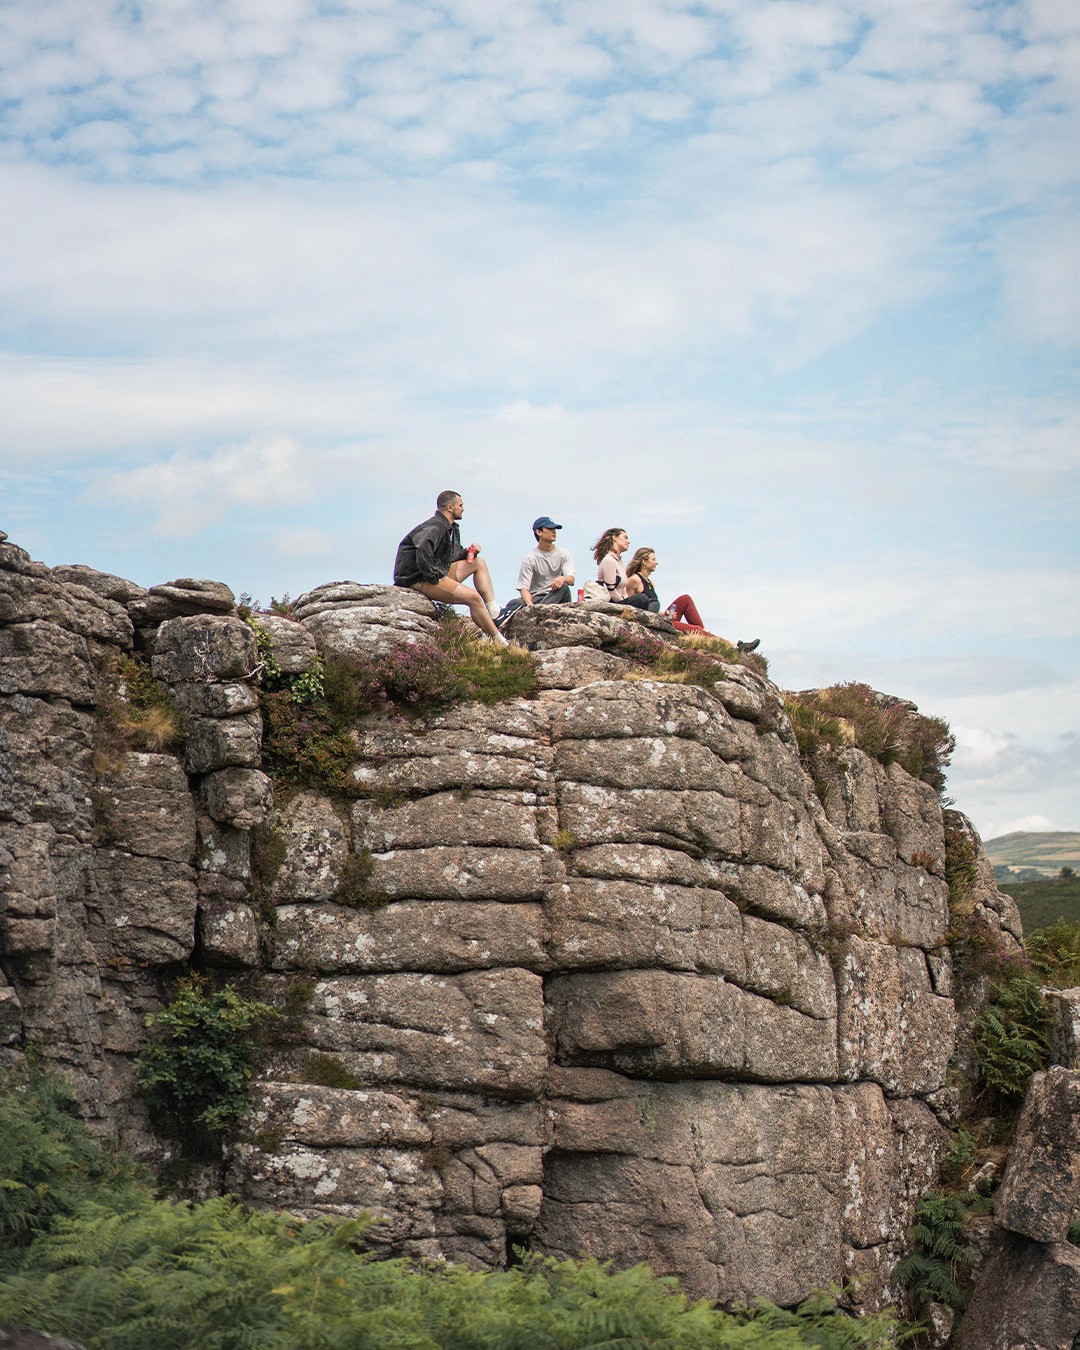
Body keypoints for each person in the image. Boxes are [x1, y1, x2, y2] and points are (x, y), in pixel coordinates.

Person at [393, 490, 508, 643]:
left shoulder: (449, 528)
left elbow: (450, 556)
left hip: (436, 572)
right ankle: (500, 641)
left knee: (478, 563)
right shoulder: (435, 526)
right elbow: (422, 549)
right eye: (460, 505)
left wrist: (469, 551)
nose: (463, 508)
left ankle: (494, 611)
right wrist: (434, 578)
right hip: (418, 579)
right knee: (473, 598)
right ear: (449, 507)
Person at [624, 545, 759, 650]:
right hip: (652, 624)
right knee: (697, 630)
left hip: (659, 617)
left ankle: (702, 635)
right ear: (644, 561)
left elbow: (651, 606)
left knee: (685, 599)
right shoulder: (634, 580)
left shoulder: (650, 582)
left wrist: (663, 613)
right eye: (653, 559)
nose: (656, 562)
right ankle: (734, 646)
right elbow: (632, 608)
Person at [495, 515, 576, 628]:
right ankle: (535, 612)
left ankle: (538, 613)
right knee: (515, 602)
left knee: (564, 588)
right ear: (539, 532)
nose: (554, 532)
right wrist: (530, 606)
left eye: (554, 529)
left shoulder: (563, 553)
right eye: (550, 529)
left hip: (557, 595)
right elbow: (524, 588)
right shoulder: (531, 558)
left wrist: (562, 578)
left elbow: (571, 580)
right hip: (537, 598)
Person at [592, 527, 631, 601]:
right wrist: (624, 604)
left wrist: (629, 603)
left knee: (649, 601)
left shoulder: (620, 562)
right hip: (613, 602)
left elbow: (624, 590)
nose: (628, 542)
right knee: (641, 599)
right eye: (625, 538)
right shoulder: (609, 560)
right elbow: (610, 589)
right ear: (615, 538)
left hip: (622, 601)